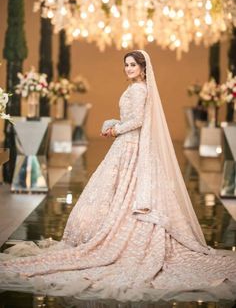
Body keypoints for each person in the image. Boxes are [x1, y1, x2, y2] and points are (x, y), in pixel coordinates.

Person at [0, 50, 236, 303]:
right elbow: (133, 118)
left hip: (130, 145)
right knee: (121, 191)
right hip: (128, 143)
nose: (128, 68)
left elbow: (137, 121)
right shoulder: (140, 87)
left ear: (143, 67)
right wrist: (115, 124)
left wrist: (116, 130)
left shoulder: (138, 89)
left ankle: (116, 238)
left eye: (133, 65)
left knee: (124, 191)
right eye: (126, 65)